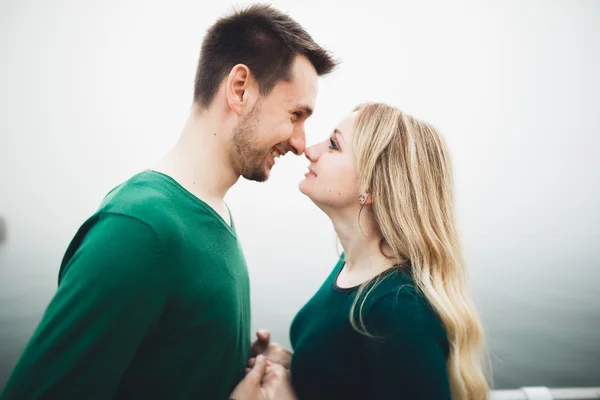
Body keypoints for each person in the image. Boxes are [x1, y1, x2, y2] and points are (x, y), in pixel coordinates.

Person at [0, 4, 337, 400]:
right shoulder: (138, 229)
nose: (300, 142)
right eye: (296, 114)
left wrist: (233, 359)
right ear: (240, 88)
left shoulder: (215, 212)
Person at [247, 103, 489, 399]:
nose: (310, 150)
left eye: (334, 145)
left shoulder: (400, 309)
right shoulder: (350, 265)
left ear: (373, 186)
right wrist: (292, 364)